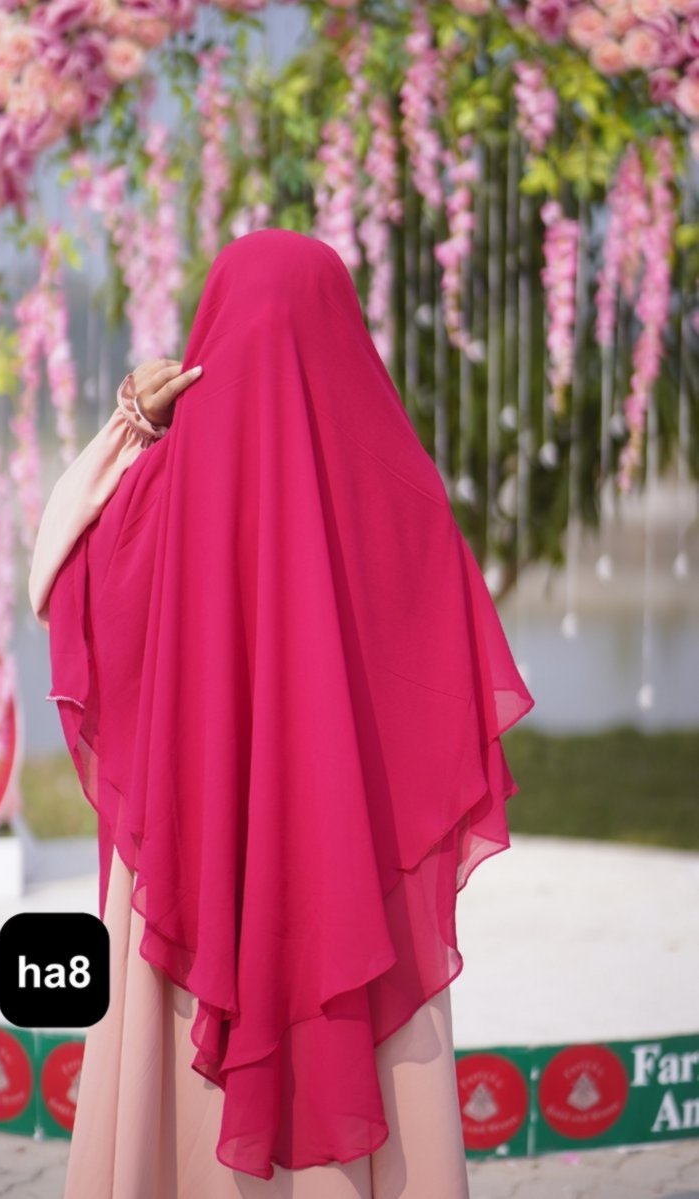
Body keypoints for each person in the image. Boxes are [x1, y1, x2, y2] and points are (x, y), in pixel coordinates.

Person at [29, 227, 535, 1198]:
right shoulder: (404, 501)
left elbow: (56, 570)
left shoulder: (155, 501)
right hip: (350, 888)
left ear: (209, 340)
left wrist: (130, 426)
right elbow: (452, 692)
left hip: (190, 865)